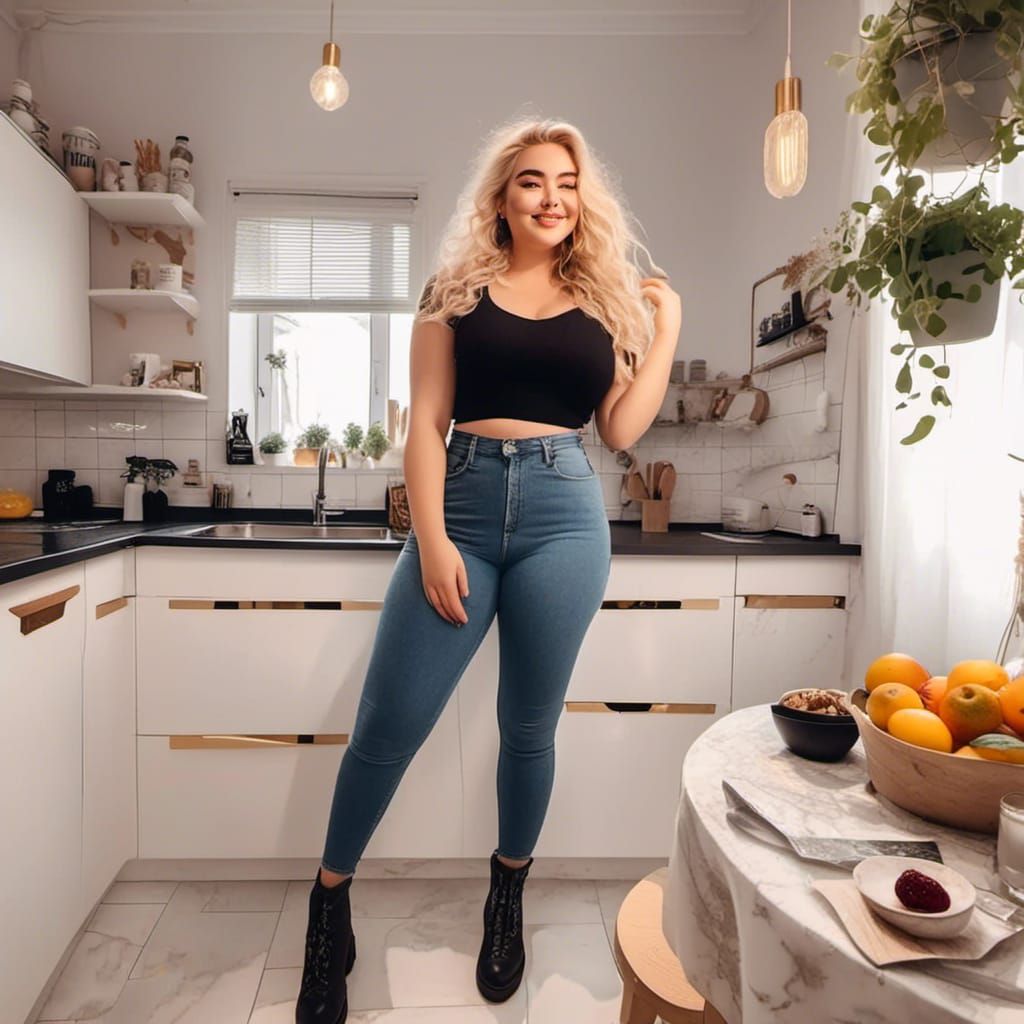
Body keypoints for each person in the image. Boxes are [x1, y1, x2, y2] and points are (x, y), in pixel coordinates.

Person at [296, 116, 681, 1024]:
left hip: (563, 516)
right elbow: (424, 422)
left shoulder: (605, 303)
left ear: (582, 201)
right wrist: (430, 539)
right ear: (502, 199)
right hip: (461, 508)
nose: (553, 197)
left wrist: (667, 327)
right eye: (533, 181)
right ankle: (327, 908)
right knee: (386, 726)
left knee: (528, 730)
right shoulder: (455, 291)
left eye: (567, 183)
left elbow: (621, 432)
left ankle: (506, 897)